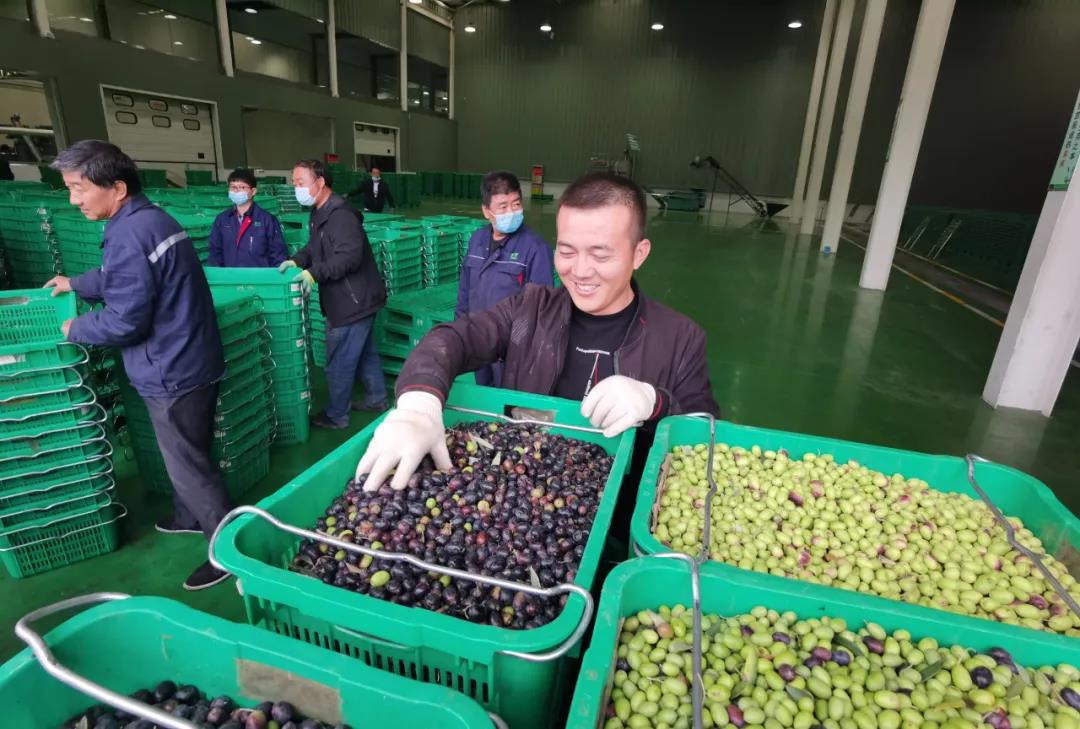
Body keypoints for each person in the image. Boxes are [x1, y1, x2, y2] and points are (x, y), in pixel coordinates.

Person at [355, 172, 720, 491]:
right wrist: (418, 404)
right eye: (567, 251)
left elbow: (706, 436)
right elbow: (452, 339)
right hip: (525, 493)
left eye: (600, 254)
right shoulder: (528, 310)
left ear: (639, 253)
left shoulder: (680, 339)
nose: (580, 271)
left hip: (623, 510)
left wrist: (655, 403)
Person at [42, 140, 231, 591]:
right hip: (193, 355)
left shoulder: (128, 233)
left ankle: (226, 551)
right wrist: (77, 283)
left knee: (189, 464)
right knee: (191, 450)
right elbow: (123, 278)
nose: (74, 199)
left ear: (117, 188)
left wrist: (75, 328)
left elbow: (126, 319)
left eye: (79, 188)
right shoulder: (152, 219)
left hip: (171, 367)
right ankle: (188, 516)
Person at [279, 159, 388, 429]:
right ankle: (376, 399)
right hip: (356, 297)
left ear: (320, 182)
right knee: (365, 352)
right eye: (294, 183)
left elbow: (349, 257)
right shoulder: (319, 212)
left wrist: (314, 273)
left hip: (352, 301)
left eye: (301, 182)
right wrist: (297, 260)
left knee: (339, 361)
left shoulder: (341, 216)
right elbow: (315, 247)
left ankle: (336, 415)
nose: (296, 188)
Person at [456, 170, 554, 387]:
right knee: (484, 394)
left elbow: (542, 308)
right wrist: (462, 329)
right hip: (479, 339)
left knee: (508, 400)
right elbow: (465, 289)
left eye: (516, 204)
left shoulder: (535, 247)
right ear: (486, 211)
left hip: (512, 350)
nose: (511, 211)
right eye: (503, 206)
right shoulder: (477, 240)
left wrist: (523, 349)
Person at [207, 168, 288, 268]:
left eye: (242, 187)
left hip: (259, 277)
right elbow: (215, 253)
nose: (236, 191)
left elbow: (278, 255)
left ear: (253, 191)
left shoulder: (267, 220)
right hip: (230, 277)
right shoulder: (222, 220)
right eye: (233, 187)